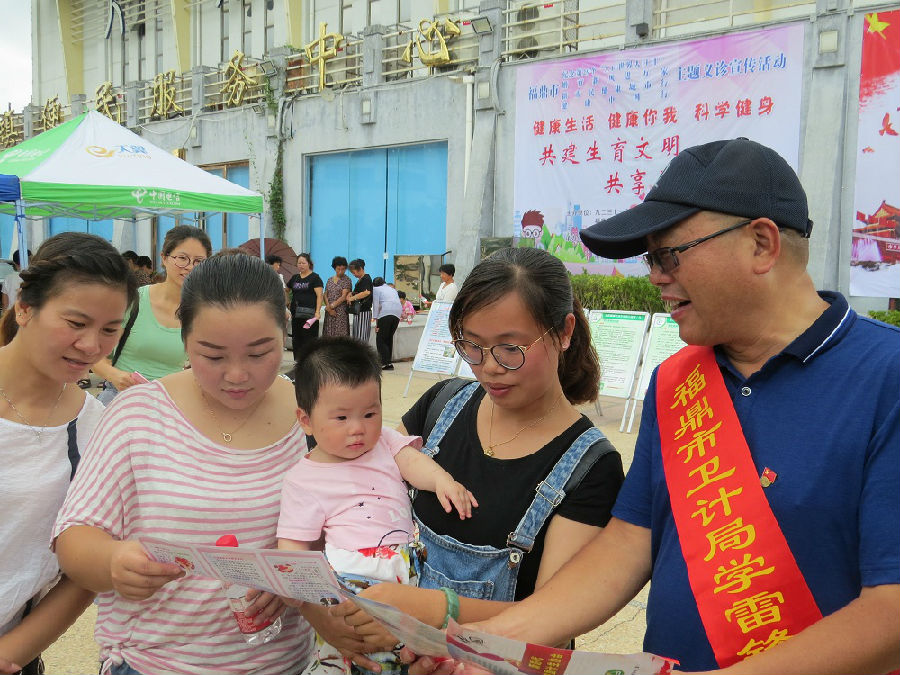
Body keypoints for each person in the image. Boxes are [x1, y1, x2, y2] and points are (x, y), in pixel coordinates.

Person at [443, 139, 900, 675]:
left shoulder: (885, 377)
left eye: (668, 255)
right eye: (650, 258)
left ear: (761, 244)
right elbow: (628, 543)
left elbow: (890, 612)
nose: (655, 276)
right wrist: (487, 643)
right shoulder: (678, 381)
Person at [330, 247, 624, 670]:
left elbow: (555, 618)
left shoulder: (589, 466)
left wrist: (431, 613)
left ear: (563, 332)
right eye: (471, 345)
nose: (488, 368)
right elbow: (362, 489)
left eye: (510, 348)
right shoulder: (442, 405)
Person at [53, 253, 315, 675]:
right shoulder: (139, 413)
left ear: (283, 332)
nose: (236, 375)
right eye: (213, 356)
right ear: (185, 338)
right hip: (153, 662)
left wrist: (294, 575)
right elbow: (74, 536)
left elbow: (350, 521)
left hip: (285, 663)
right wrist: (113, 562)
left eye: (259, 353)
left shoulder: (312, 412)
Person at [277, 337, 476, 675]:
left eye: (370, 413)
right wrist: (297, 590)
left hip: (408, 567)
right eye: (341, 417)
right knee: (356, 648)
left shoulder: (384, 440)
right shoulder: (303, 479)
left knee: (410, 648)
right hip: (351, 577)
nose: (358, 428)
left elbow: (413, 463)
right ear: (306, 420)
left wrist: (443, 481)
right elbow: (293, 547)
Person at [0, 232, 137, 674]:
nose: (92, 346)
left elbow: (85, 567)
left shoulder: (96, 427)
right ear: (25, 307)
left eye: (109, 330)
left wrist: (13, 652)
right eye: (76, 323)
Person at [92, 226, 211, 404]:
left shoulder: (202, 312)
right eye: (182, 258)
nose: (189, 267)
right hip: (123, 398)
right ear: (164, 258)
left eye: (198, 261)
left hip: (170, 403)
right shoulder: (134, 300)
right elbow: (95, 356)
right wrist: (115, 376)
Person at [288, 253, 324, 361]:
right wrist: (288, 301)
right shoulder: (295, 278)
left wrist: (317, 312)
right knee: (297, 338)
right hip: (296, 314)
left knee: (309, 339)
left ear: (309, 264)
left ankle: (309, 362)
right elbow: (286, 289)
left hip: (310, 315)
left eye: (303, 263)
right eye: (299, 263)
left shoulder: (315, 278)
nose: (301, 265)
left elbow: (320, 296)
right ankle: (298, 361)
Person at [371, 277, 402, 370]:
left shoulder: (376, 289)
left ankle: (385, 363)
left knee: (380, 339)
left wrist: (376, 320)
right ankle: (388, 362)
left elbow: (376, 305)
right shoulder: (392, 289)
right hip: (397, 314)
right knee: (388, 338)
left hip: (385, 313)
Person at [324, 256, 353, 338]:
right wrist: (329, 308)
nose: (340, 271)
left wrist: (331, 306)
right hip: (329, 311)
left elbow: (343, 297)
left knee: (340, 335)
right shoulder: (330, 280)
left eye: (343, 269)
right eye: (338, 269)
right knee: (329, 335)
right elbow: (325, 294)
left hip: (340, 312)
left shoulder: (347, 280)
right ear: (334, 268)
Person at [347, 259, 373, 343]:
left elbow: (366, 292)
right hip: (359, 311)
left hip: (363, 311)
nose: (353, 274)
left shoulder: (366, 279)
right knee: (357, 336)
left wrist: (352, 298)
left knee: (361, 336)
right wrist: (351, 293)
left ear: (360, 269)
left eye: (354, 272)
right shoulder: (361, 280)